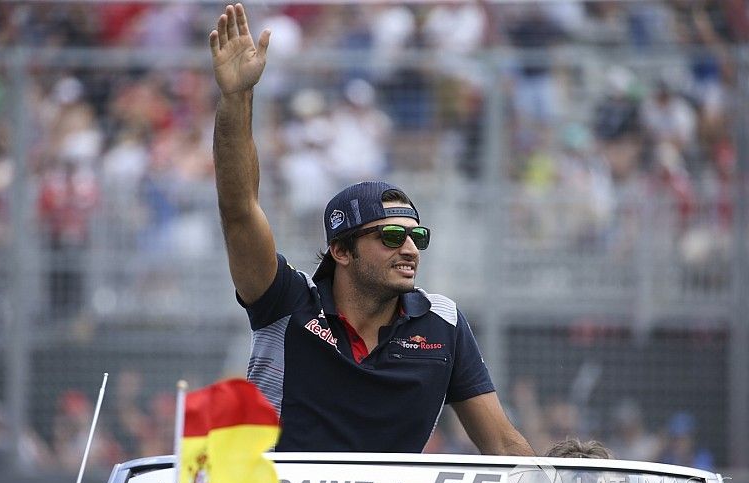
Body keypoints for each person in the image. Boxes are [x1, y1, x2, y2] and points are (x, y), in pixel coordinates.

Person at [209, 3, 533, 456]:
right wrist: (236, 98)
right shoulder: (283, 301)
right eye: (390, 237)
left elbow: (503, 443)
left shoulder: (443, 323)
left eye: (417, 237)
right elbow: (240, 210)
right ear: (341, 251)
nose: (410, 250)